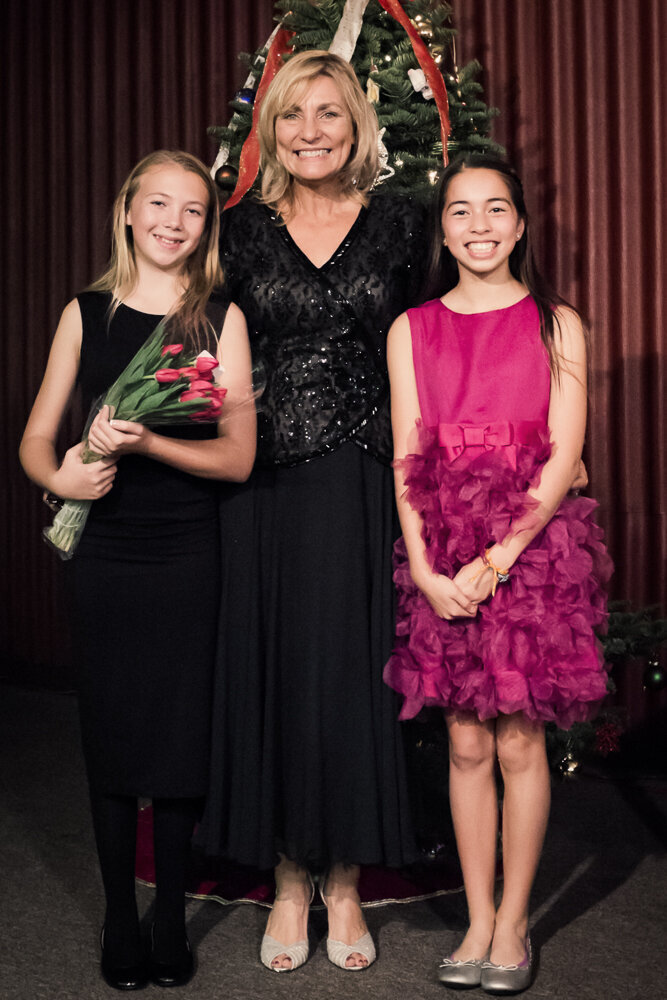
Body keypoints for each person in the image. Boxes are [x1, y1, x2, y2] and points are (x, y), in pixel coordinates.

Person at [195, 50, 425, 972]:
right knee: (280, 673)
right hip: (263, 486)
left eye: (329, 113)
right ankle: (290, 878)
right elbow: (195, 352)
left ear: (356, 125)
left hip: (365, 484)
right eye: (293, 116)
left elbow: (437, 348)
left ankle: (343, 882)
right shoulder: (239, 232)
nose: (311, 131)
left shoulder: (403, 227)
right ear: (271, 130)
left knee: (349, 679)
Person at [20, 150, 255, 991]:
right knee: (114, 736)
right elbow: (35, 442)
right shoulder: (86, 312)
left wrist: (150, 441)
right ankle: (122, 912)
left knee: (182, 738)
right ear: (128, 211)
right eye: (158, 204)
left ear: (206, 227)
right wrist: (64, 477)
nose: (173, 221)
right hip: (108, 556)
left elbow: (236, 460)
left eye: (192, 210)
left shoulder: (218, 316)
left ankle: (168, 916)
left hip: (188, 551)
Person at [384, 154, 612, 994]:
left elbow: (562, 461)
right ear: (442, 229)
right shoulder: (411, 329)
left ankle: (514, 923)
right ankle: (475, 919)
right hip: (441, 549)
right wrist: (422, 563)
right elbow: (408, 452)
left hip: (529, 550)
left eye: (494, 210)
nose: (477, 226)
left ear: (518, 225)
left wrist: (501, 555)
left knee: (520, 739)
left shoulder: (557, 325)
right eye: (459, 212)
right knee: (464, 740)